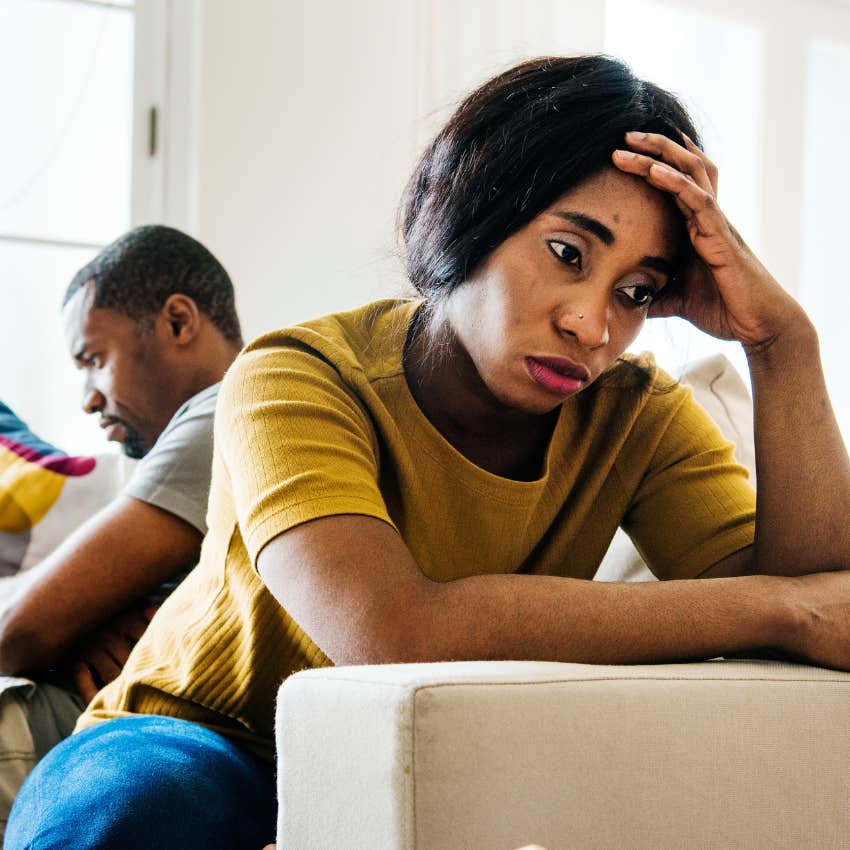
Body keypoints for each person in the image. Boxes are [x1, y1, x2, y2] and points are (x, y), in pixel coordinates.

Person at [8, 55, 850, 849]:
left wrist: (782, 342)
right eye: (567, 254)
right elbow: (388, 629)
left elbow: (826, 603)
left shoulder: (638, 416)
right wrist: (778, 607)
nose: (592, 326)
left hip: (437, 751)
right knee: (142, 810)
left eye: (634, 293)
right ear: (468, 210)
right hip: (193, 735)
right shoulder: (295, 376)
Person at [0, 225, 243, 835]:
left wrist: (52, 630)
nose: (87, 398)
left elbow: (15, 633)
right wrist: (75, 629)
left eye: (93, 360)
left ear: (179, 322)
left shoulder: (226, 410)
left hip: (110, 738)